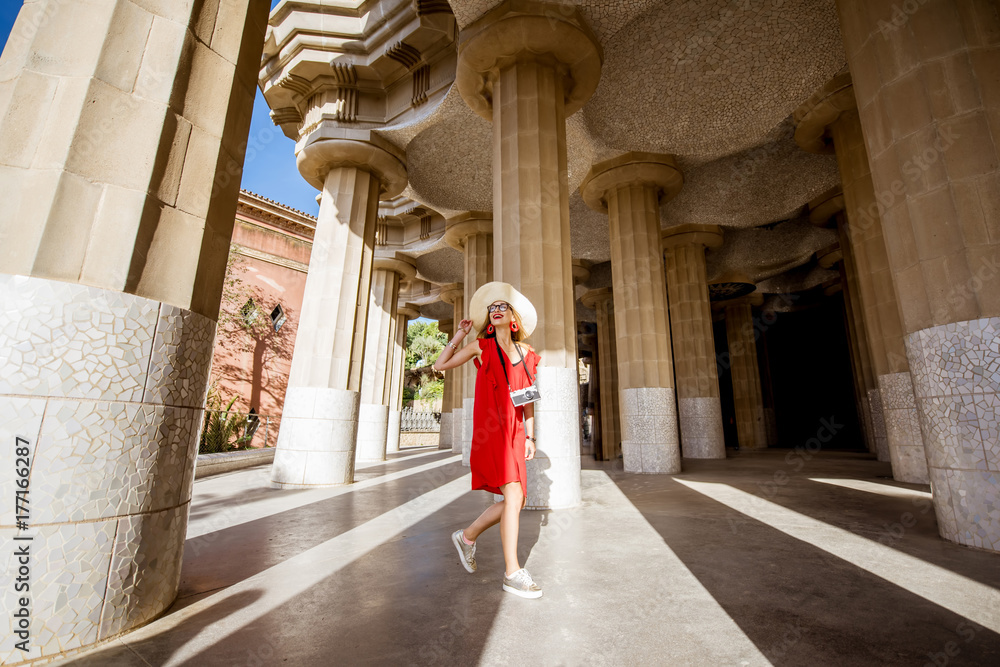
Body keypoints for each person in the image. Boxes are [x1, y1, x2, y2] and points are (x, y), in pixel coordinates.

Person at [432, 281, 543, 599]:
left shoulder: (526, 353)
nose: (495, 310)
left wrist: (531, 435)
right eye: (491, 307)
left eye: (502, 306)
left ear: (513, 318)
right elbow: (441, 366)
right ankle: (512, 573)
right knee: (513, 494)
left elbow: (528, 399)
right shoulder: (481, 346)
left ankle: (467, 537)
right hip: (491, 431)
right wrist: (460, 335)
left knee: (517, 500)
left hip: (516, 430)